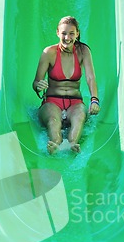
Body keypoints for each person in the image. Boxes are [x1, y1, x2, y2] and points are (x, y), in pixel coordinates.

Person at [33, 16, 100, 154]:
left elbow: (90, 77)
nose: (67, 37)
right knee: (53, 120)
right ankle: (55, 144)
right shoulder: (49, 53)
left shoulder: (83, 51)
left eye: (71, 33)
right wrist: (39, 86)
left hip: (75, 103)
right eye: (63, 33)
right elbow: (36, 82)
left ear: (77, 34)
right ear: (58, 33)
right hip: (52, 102)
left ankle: (72, 144)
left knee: (80, 116)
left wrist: (94, 100)